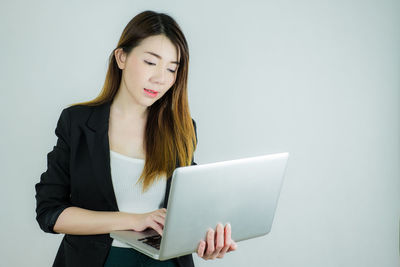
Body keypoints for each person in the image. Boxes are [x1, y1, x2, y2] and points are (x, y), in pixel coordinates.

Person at [35, 10, 237, 267]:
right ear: (121, 57)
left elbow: (187, 210)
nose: (160, 78)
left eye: (171, 69)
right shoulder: (77, 123)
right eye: (150, 63)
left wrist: (204, 242)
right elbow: (50, 212)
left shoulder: (182, 129)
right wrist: (133, 220)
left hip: (164, 261)